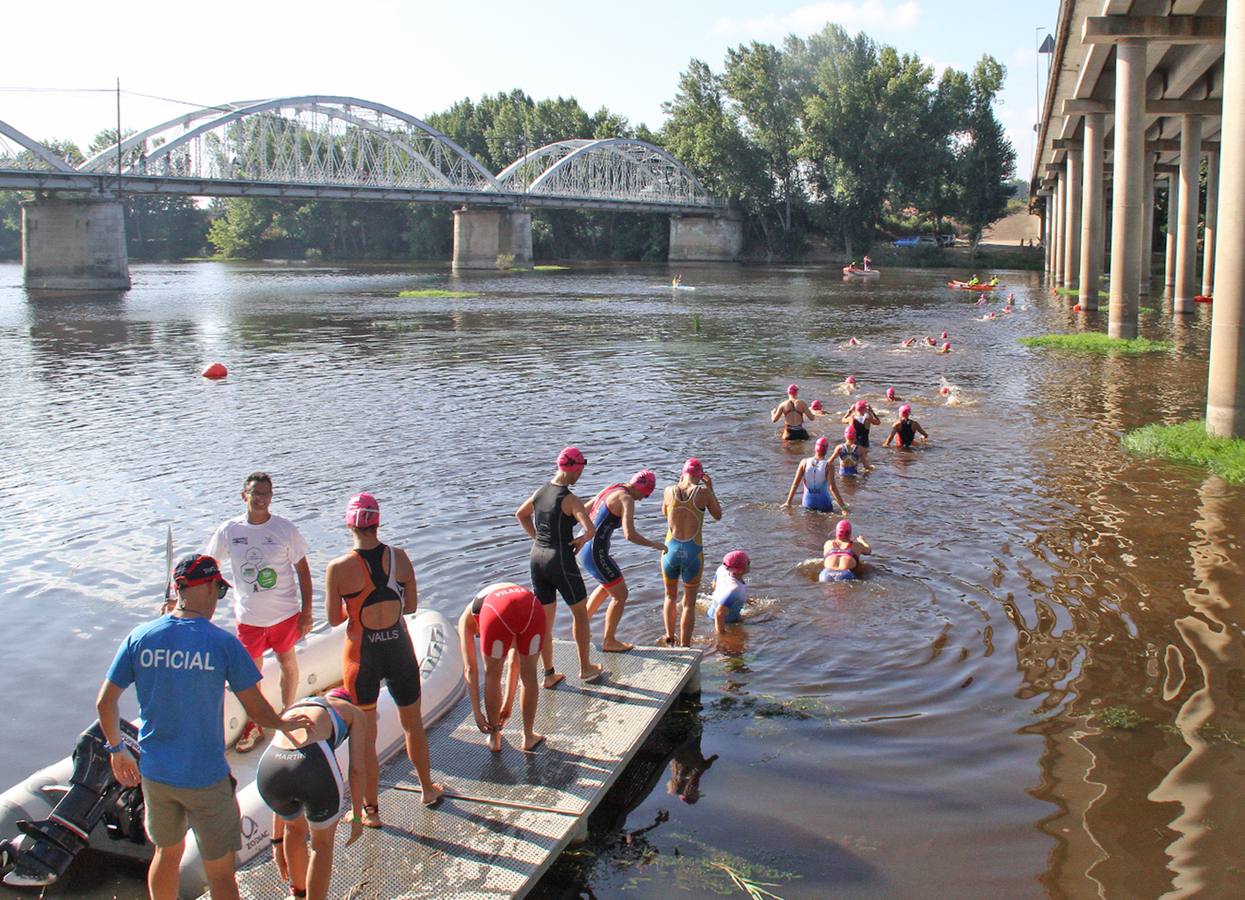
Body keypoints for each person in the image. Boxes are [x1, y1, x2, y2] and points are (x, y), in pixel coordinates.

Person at [96, 554, 312, 900]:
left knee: (166, 855)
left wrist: (117, 751)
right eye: (217, 590)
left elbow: (105, 703)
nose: (217, 599)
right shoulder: (222, 643)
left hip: (156, 775)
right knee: (221, 874)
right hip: (205, 777)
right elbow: (254, 704)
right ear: (203, 587)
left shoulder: (140, 637)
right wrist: (282, 722)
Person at [325, 492, 444, 825]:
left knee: (365, 739)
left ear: (349, 523)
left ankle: (370, 811)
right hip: (398, 650)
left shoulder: (338, 569)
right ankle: (427, 789)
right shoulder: (401, 558)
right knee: (412, 725)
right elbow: (411, 607)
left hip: (361, 656)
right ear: (378, 522)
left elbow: (335, 619)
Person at [204, 472, 313, 753]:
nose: (261, 499)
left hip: (284, 614)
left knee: (287, 661)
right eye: (256, 493)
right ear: (245, 496)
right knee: (251, 673)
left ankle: (288, 713)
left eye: (266, 494)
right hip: (249, 618)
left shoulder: (284, 529)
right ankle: (255, 724)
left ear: (271, 497)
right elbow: (208, 565)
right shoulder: (230, 530)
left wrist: (307, 612)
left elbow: (303, 570)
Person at [259, 687, 367, 900]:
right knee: (321, 844)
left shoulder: (298, 705)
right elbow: (357, 769)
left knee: (294, 829)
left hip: (269, 768)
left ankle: (299, 893)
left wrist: (277, 840)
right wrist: (357, 816)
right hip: (312, 764)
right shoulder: (353, 712)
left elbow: (286, 777)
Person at [516, 446, 604, 685]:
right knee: (580, 615)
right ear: (573, 469)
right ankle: (585, 668)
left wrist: (537, 538)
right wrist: (581, 540)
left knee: (545, 619)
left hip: (537, 559)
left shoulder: (540, 491)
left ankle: (548, 674)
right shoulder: (570, 499)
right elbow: (590, 529)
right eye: (580, 470)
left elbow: (521, 515)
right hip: (561, 560)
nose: (580, 475)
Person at [581, 471, 666, 652]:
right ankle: (609, 641)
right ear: (641, 488)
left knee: (608, 585)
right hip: (595, 552)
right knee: (621, 595)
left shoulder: (611, 488)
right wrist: (655, 545)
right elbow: (630, 535)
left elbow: (583, 510)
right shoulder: (626, 499)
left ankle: (581, 625)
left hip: (583, 545)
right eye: (646, 495)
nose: (643, 499)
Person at [458, 582, 545, 753]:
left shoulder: (466, 619)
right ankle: (528, 737)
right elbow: (515, 660)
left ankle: (494, 737)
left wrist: (477, 713)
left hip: (495, 610)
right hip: (532, 605)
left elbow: (470, 669)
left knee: (492, 674)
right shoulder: (500, 592)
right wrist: (507, 702)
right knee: (529, 675)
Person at [660, 458, 722, 647]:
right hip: (693, 552)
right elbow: (718, 515)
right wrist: (711, 489)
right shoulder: (703, 492)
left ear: (683, 473)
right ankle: (684, 646)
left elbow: (665, 512)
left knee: (669, 596)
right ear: (701, 476)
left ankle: (670, 637)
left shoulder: (668, 490)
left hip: (669, 550)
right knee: (689, 603)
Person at [782, 436, 847, 512]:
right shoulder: (829, 466)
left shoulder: (804, 462)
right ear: (826, 450)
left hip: (808, 504)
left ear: (815, 448)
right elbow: (832, 488)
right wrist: (844, 508)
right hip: (824, 505)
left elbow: (795, 484)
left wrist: (788, 502)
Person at [706, 551, 750, 635]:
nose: (749, 563)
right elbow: (719, 614)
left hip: (710, 614)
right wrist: (721, 635)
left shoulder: (722, 568)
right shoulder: (736, 589)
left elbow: (714, 585)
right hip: (727, 622)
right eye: (748, 562)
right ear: (740, 570)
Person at [841, 399, 881, 468]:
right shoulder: (868, 418)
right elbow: (878, 422)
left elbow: (843, 419)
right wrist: (872, 411)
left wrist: (849, 411)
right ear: (864, 409)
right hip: (864, 443)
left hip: (854, 442)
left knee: (854, 460)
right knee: (864, 460)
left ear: (856, 409)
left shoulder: (852, 418)